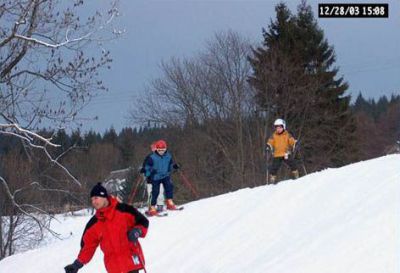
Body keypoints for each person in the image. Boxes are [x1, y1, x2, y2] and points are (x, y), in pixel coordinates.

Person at [64, 183, 149, 273]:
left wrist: (137, 231)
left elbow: (143, 221)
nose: (94, 202)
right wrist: (77, 264)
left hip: (131, 261)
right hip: (114, 267)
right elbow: (88, 246)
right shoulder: (94, 223)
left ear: (104, 197)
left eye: (96, 198)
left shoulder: (123, 210)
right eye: (92, 199)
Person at [143, 139, 179, 216]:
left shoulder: (168, 156)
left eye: (163, 150)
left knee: (169, 186)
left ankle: (169, 202)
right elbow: (146, 167)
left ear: (166, 149)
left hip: (165, 175)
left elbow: (170, 164)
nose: (161, 152)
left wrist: (174, 166)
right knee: (155, 192)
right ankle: (152, 207)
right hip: (156, 177)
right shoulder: (152, 157)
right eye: (159, 150)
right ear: (156, 149)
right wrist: (150, 171)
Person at [266, 118, 299, 184]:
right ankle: (272, 179)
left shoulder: (287, 135)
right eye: (277, 128)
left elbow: (291, 141)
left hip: (286, 154)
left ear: (283, 127)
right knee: (274, 167)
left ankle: (296, 175)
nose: (278, 129)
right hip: (277, 154)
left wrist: (295, 143)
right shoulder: (273, 136)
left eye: (280, 128)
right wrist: (269, 146)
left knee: (292, 164)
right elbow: (270, 142)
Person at [140, 142, 165, 212]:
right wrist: (143, 170)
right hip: (150, 179)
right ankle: (151, 207)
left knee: (160, 192)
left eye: (155, 148)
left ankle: (160, 206)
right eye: (153, 148)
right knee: (150, 193)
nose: (154, 149)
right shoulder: (148, 157)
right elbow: (145, 166)